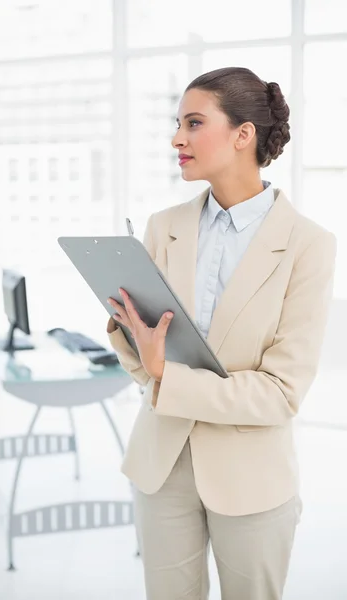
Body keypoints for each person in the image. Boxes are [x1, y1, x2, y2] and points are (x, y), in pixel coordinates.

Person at [106, 67, 337, 600]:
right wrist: (129, 333)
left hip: (251, 477)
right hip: (162, 465)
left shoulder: (308, 244)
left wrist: (166, 373)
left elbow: (281, 394)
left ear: (243, 134)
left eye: (193, 122)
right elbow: (146, 368)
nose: (176, 138)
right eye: (176, 123)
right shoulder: (164, 226)